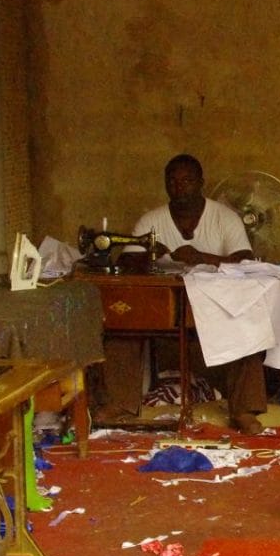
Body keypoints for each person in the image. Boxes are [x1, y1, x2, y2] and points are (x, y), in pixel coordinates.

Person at [96, 154, 268, 435]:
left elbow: (246, 261)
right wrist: (151, 254)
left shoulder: (224, 218)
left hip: (216, 300)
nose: (180, 187)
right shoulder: (151, 221)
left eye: (187, 181)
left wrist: (201, 257)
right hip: (164, 300)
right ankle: (120, 403)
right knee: (121, 327)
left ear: (201, 183)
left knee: (246, 325)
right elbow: (127, 261)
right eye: (173, 182)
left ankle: (244, 410)